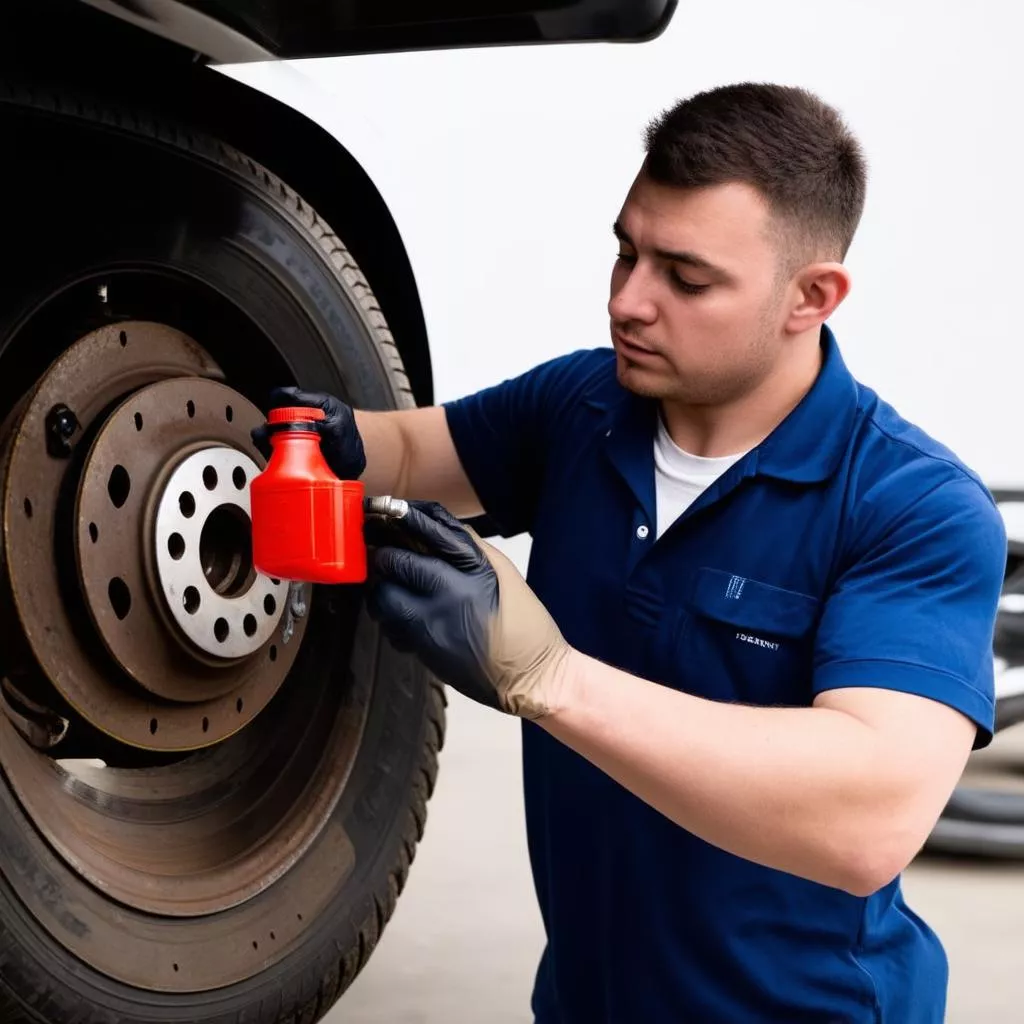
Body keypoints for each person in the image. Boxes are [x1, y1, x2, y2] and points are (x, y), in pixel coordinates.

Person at [255, 83, 1006, 1023]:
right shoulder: (583, 409)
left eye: (686, 279)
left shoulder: (912, 506)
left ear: (811, 297)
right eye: (625, 251)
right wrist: (314, 437)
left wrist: (548, 675)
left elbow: (866, 819)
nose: (628, 301)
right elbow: (411, 453)